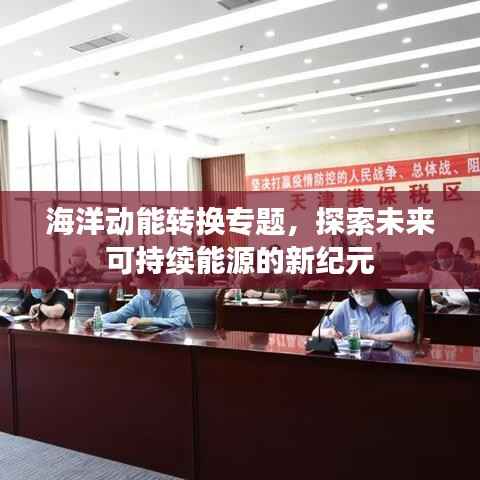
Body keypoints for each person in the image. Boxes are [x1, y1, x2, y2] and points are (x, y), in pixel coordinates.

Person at [312, 280, 415, 343]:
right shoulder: (345, 305)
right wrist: (327, 332)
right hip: (352, 359)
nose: (360, 296)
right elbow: (316, 332)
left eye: (365, 292)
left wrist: (368, 336)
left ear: (377, 290)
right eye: (356, 292)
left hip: (386, 360)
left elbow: (408, 335)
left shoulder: (395, 306)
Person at [86, 270, 192, 328]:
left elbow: (178, 321)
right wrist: (98, 320)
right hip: (158, 341)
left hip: (182, 342)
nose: (141, 291)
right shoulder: (139, 299)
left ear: (158, 284)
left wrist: (145, 321)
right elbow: (119, 314)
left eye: (144, 286)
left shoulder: (174, 296)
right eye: (139, 287)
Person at [402, 251, 470, 307]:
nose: (415, 275)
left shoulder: (445, 277)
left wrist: (437, 298)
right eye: (411, 272)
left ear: (427, 265)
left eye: (419, 270)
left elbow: (463, 301)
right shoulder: (403, 280)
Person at [1, 266, 69, 319]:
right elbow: (19, 309)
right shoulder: (32, 296)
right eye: (31, 286)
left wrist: (40, 306)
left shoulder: (60, 295)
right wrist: (10, 310)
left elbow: (57, 313)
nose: (33, 289)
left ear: (47, 284)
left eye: (36, 286)